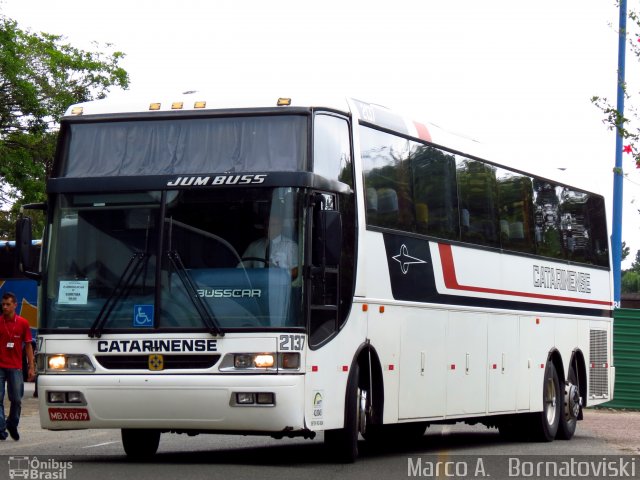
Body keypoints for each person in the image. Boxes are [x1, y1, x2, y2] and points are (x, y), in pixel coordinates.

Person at [0, 292, 35, 441]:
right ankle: (1, 429)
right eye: (3, 304)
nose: (5, 307)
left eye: (8, 304)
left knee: (16, 399)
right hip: (0, 366)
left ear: (15, 305)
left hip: (15, 366)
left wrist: (31, 367)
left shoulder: (23, 323)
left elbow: (28, 346)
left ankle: (12, 423)